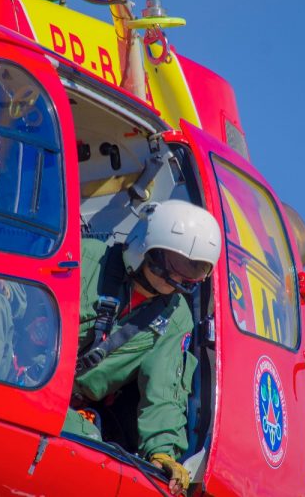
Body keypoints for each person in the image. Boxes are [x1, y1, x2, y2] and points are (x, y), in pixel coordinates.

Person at [65, 200, 222, 496]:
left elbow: (163, 392)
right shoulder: (85, 258)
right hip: (19, 377)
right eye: (176, 264)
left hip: (67, 408)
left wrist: (162, 452)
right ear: (148, 246)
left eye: (192, 270)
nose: (178, 278)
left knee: (90, 447)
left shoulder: (175, 318)